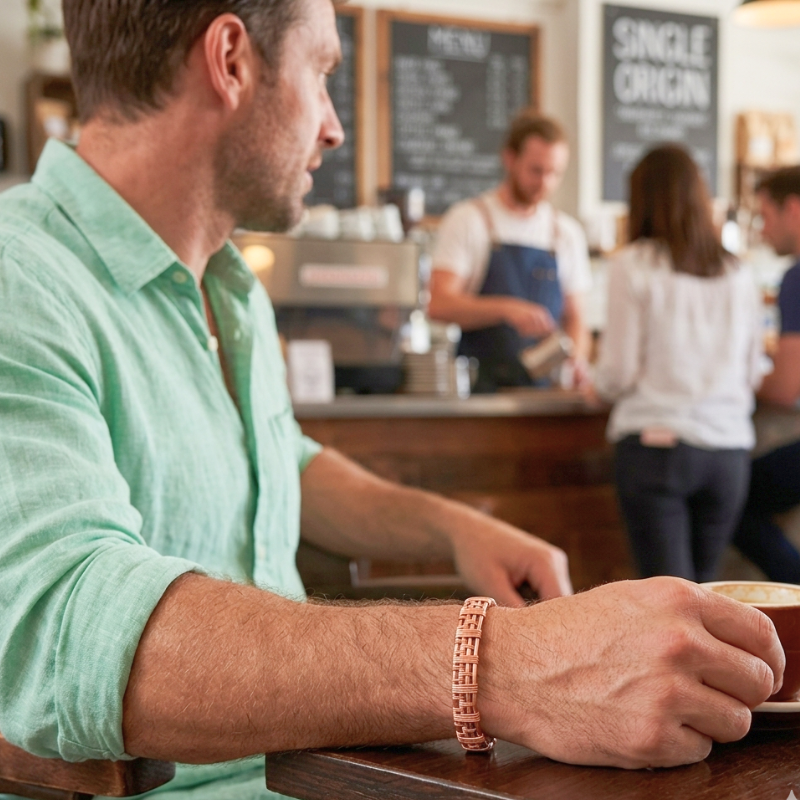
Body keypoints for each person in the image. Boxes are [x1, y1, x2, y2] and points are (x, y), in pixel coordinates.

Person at [0, 3, 785, 799]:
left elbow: (278, 465)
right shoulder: (19, 276)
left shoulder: (232, 288)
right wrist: (500, 666)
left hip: (316, 772)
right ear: (231, 59)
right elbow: (68, 628)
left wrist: (448, 525)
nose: (336, 128)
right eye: (325, 73)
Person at [594, 145, 763, 583]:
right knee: (706, 601)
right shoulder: (739, 273)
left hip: (658, 451)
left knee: (667, 609)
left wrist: (591, 382)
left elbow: (619, 373)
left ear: (641, 200)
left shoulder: (632, 265)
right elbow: (752, 372)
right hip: (728, 457)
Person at [427, 111, 592, 391]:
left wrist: (576, 358)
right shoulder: (469, 219)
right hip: (482, 392)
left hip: (544, 394)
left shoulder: (565, 233)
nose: (545, 183)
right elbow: (438, 303)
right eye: (536, 170)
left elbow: (576, 317)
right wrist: (505, 309)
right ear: (510, 159)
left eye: (554, 173)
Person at [732, 166, 800, 584]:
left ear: (792, 208)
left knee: (732, 500)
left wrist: (742, 379)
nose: (762, 229)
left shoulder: (796, 277)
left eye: (765, 216)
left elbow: (786, 386)